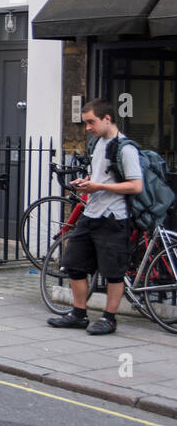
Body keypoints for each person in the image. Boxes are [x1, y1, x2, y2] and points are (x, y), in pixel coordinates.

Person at [47, 99, 144, 336]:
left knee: (113, 273)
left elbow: (136, 186)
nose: (88, 127)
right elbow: (100, 174)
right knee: (73, 265)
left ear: (107, 118)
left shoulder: (125, 148)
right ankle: (79, 315)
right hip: (91, 214)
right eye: (86, 123)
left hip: (113, 218)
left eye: (91, 122)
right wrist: (86, 181)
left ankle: (109, 319)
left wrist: (98, 186)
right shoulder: (97, 144)